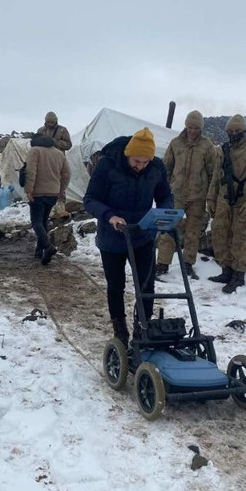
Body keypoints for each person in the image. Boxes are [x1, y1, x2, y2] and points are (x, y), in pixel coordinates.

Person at [83, 127, 173, 346]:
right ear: (128, 154)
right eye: (136, 161)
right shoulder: (107, 165)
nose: (140, 166)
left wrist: (165, 213)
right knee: (116, 285)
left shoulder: (156, 167)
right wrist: (110, 215)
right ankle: (120, 330)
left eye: (145, 162)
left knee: (146, 286)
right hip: (113, 236)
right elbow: (90, 199)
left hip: (143, 234)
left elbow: (165, 196)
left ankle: (143, 329)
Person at [207, 114, 246, 293]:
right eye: (230, 131)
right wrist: (211, 198)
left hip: (244, 199)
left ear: (244, 131)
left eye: (237, 131)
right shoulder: (223, 150)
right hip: (224, 198)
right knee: (219, 234)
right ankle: (226, 270)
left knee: (241, 237)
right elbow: (216, 175)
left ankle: (239, 275)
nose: (233, 134)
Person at [156, 110, 217, 280]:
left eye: (196, 128)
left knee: (193, 230)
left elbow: (212, 171)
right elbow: (166, 166)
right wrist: (164, 188)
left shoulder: (207, 146)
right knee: (168, 228)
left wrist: (211, 194)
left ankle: (188, 263)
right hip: (176, 194)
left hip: (198, 196)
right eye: (190, 127)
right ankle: (162, 263)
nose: (192, 131)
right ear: (185, 126)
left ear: (201, 128)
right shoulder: (175, 143)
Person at [24, 133, 71, 265]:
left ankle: (48, 246)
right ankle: (40, 252)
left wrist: (29, 190)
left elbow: (31, 172)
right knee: (43, 221)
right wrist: (60, 190)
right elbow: (66, 174)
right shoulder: (58, 153)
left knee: (36, 222)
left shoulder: (35, 151)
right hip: (52, 193)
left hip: (38, 193)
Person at [35, 112, 73, 218]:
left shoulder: (62, 130)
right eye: (48, 122)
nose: (50, 124)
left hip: (58, 162)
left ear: (56, 120)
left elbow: (68, 145)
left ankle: (60, 208)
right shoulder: (41, 131)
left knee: (60, 184)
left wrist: (55, 142)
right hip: (43, 162)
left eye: (52, 122)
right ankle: (48, 210)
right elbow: (35, 143)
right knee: (45, 185)